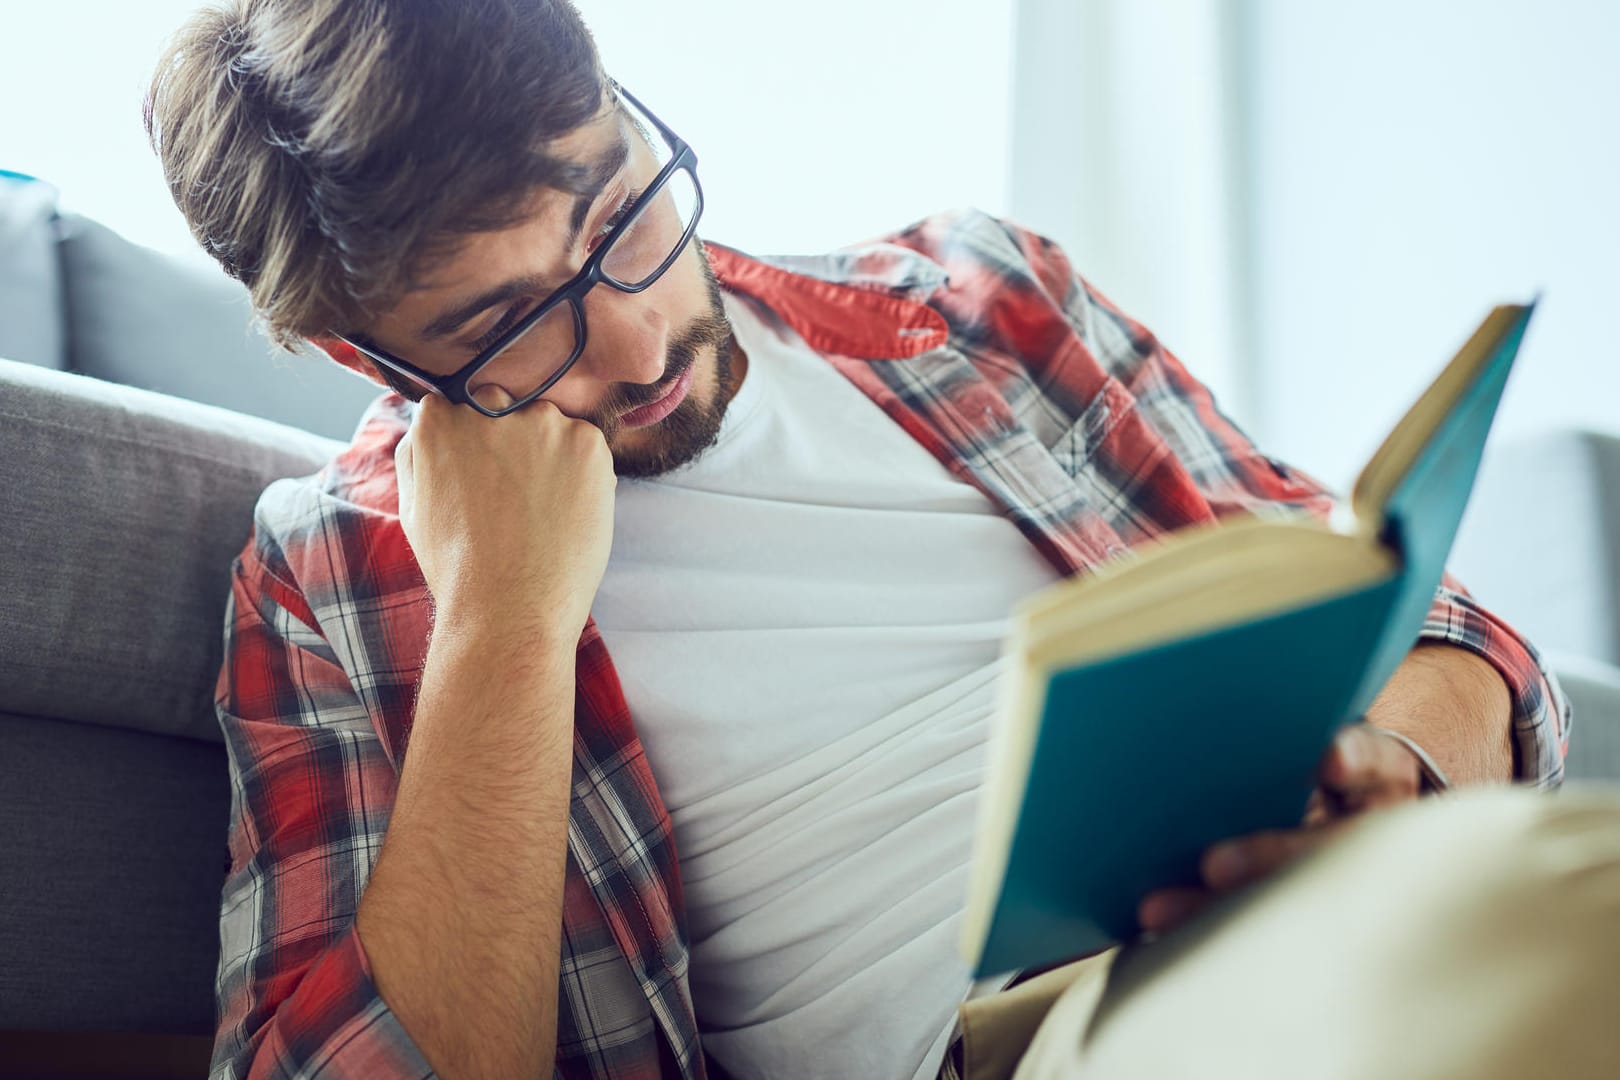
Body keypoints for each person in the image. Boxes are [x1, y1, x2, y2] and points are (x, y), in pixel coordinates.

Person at [142, 3, 1599, 1079]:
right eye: (505, 324)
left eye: (623, 208)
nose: (639, 335)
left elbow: (1447, 633)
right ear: (366, 360)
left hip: (1333, 914)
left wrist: (1398, 765)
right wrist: (501, 625)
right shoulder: (329, 580)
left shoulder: (978, 303)